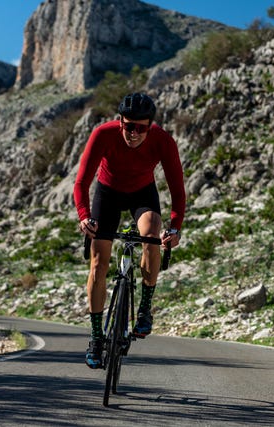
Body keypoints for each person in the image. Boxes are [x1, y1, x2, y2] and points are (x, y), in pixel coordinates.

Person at [74, 93, 186, 369]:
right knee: (99, 263)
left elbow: (177, 189)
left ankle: (145, 309)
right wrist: (84, 217)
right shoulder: (103, 134)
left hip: (142, 194)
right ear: (120, 121)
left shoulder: (163, 141)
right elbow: (81, 182)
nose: (134, 133)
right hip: (107, 193)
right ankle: (97, 337)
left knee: (152, 233)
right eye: (128, 126)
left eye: (141, 128)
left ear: (150, 126)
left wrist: (175, 228)